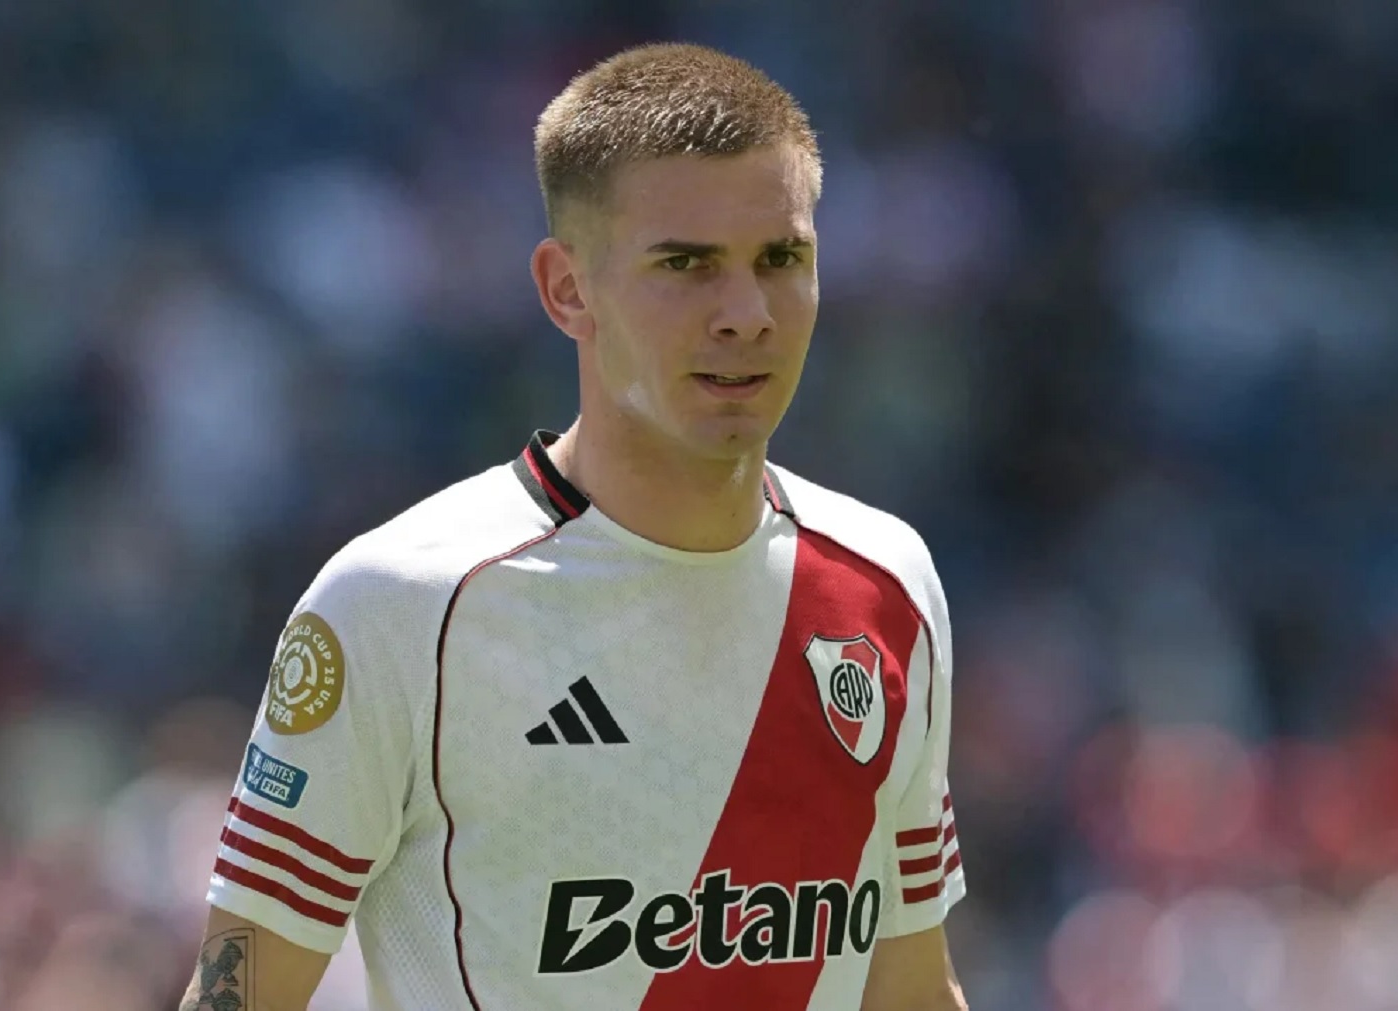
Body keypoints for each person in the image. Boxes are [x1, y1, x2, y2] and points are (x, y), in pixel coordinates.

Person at [179, 41, 971, 1011]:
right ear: (567, 289)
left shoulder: (887, 585)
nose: (746, 313)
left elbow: (911, 989)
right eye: (686, 264)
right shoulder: (401, 606)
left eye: (781, 259)